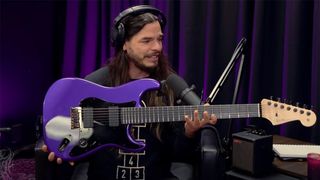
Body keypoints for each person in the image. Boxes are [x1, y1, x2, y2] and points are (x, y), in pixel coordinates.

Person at [42, 5, 217, 180]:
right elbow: (71, 130)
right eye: (146, 40)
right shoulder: (96, 85)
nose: (157, 47)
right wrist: (61, 143)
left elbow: (180, 154)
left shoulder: (171, 85)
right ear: (124, 43)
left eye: (160, 39)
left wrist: (189, 133)